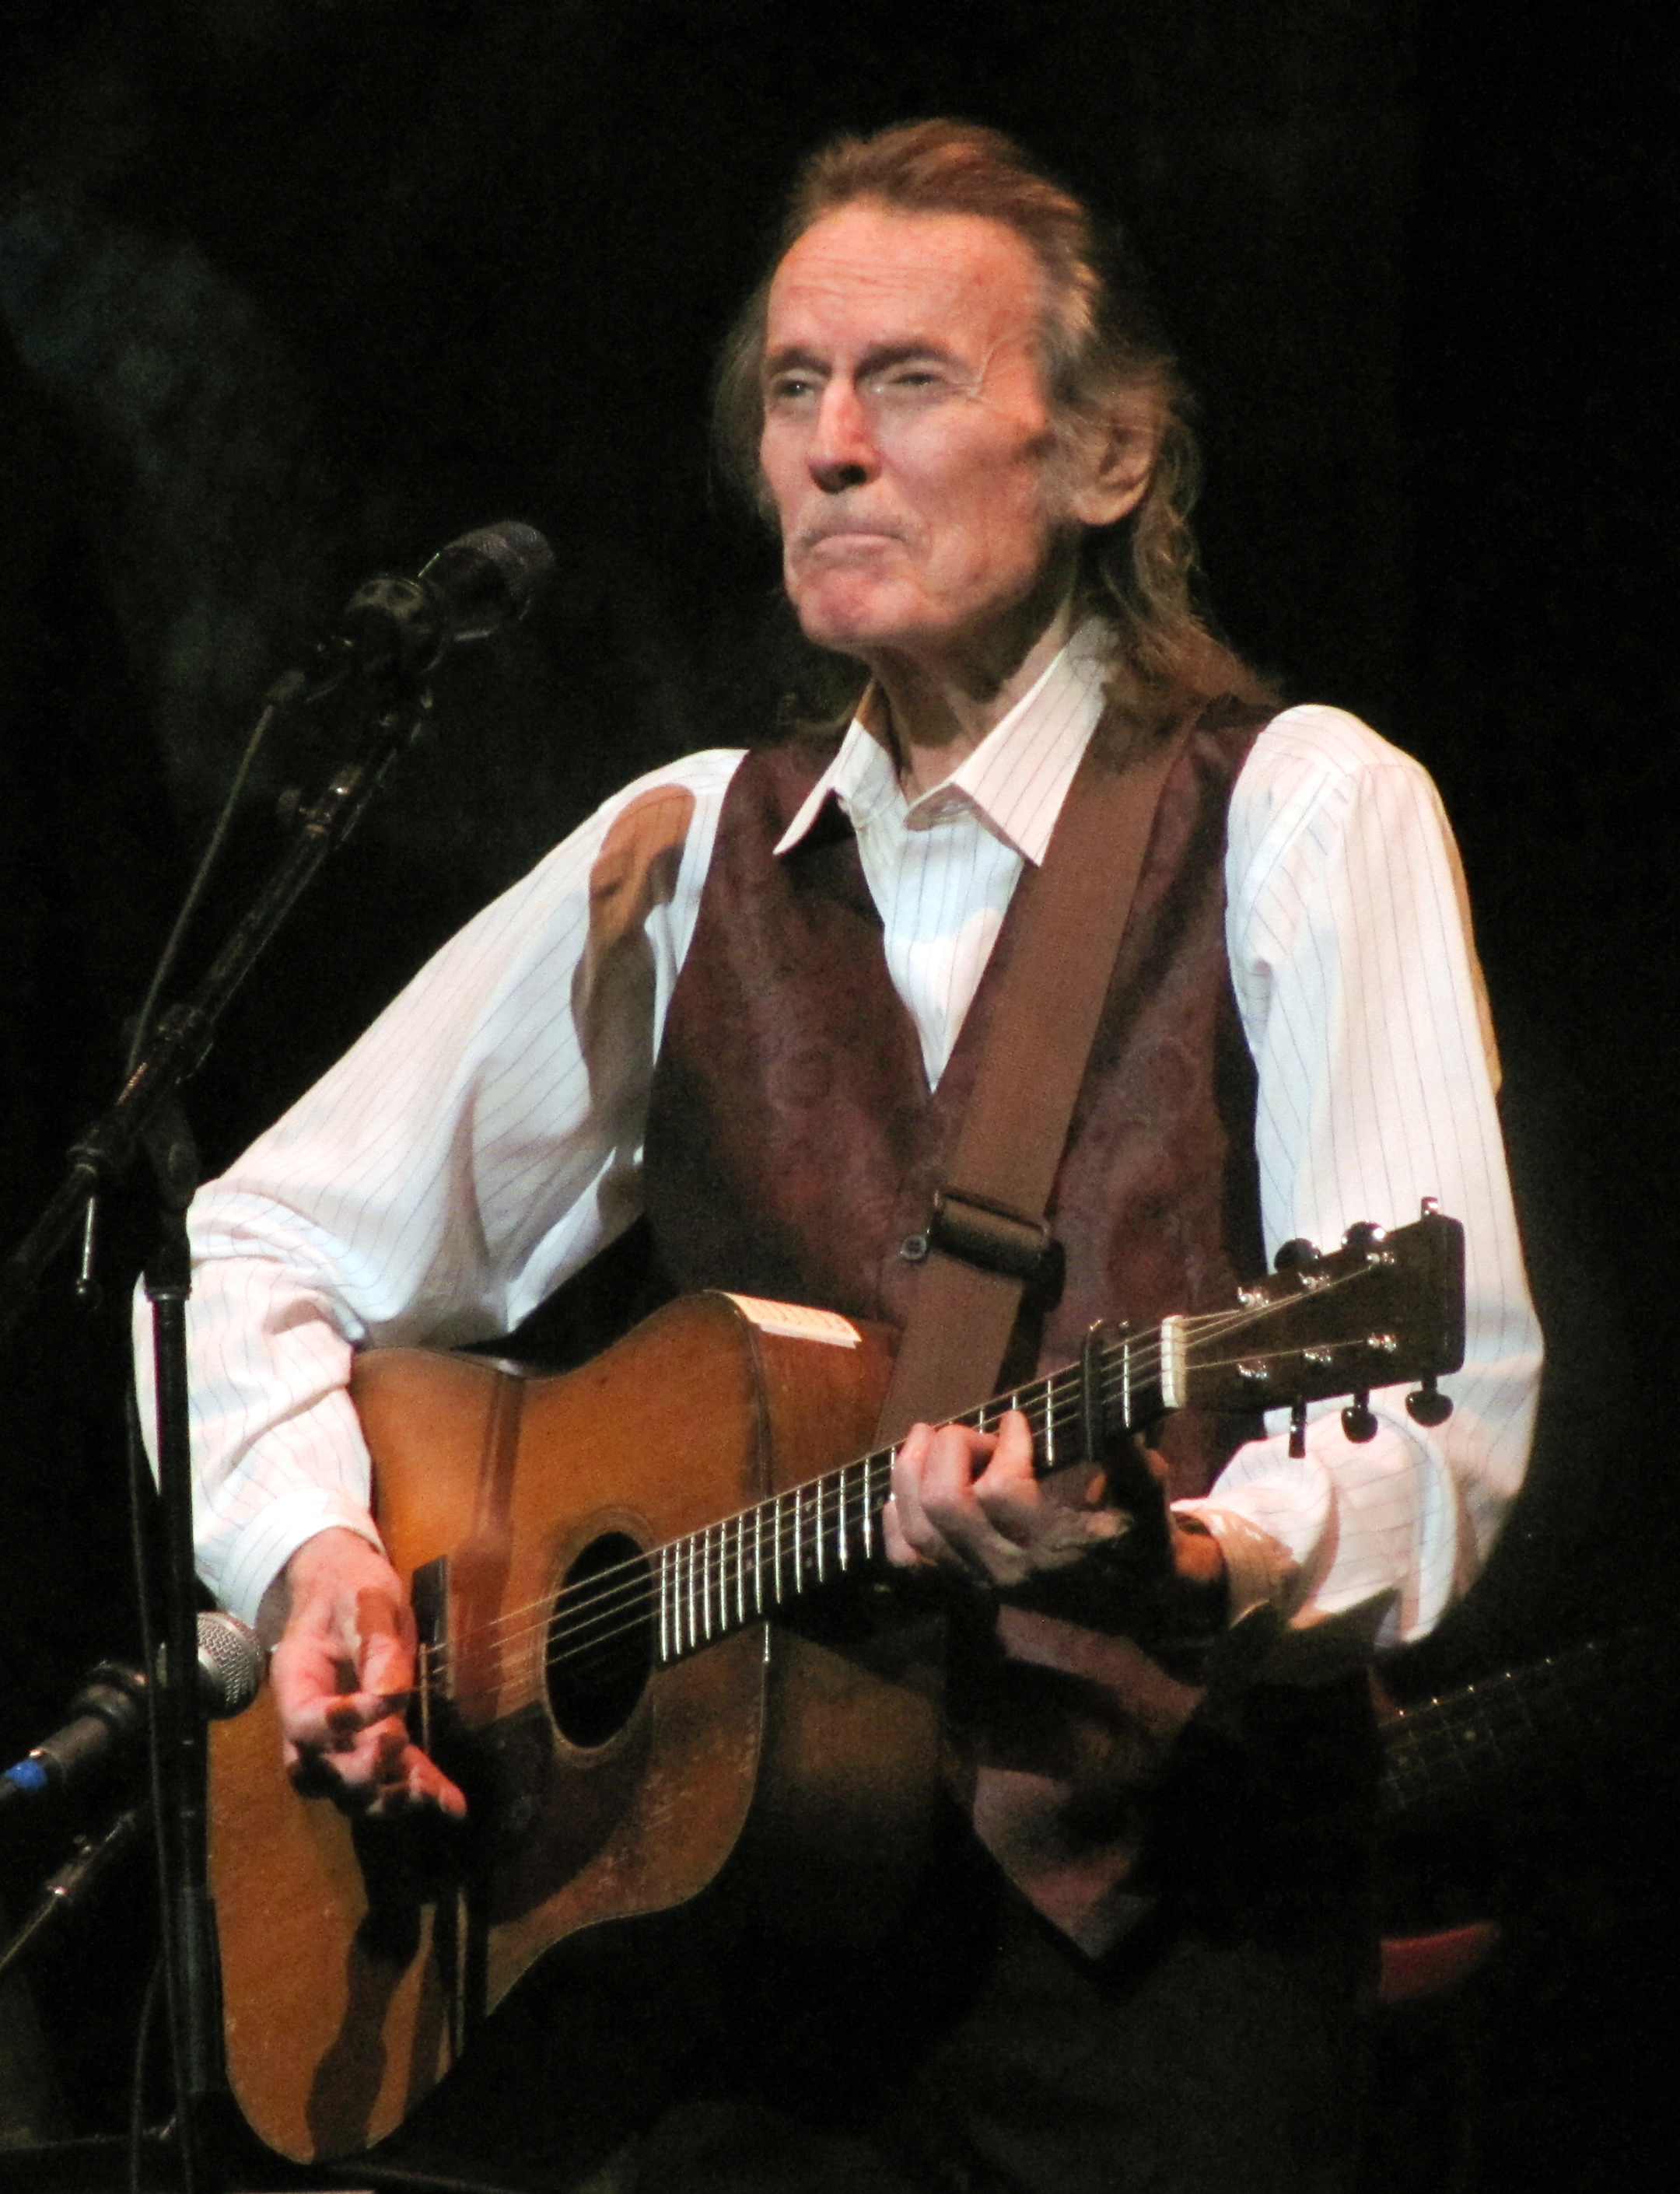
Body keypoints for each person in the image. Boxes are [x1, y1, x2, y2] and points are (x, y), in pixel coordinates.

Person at [148, 121, 1540, 2192]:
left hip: (1146, 1969)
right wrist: (321, 1555)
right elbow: (252, 1245)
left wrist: (1189, 1556)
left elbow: (1428, 1411)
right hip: (737, 1975)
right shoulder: (688, 846)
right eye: (795, 389)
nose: (829, 448)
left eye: (910, 382)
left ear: (1112, 460)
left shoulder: (1307, 814)